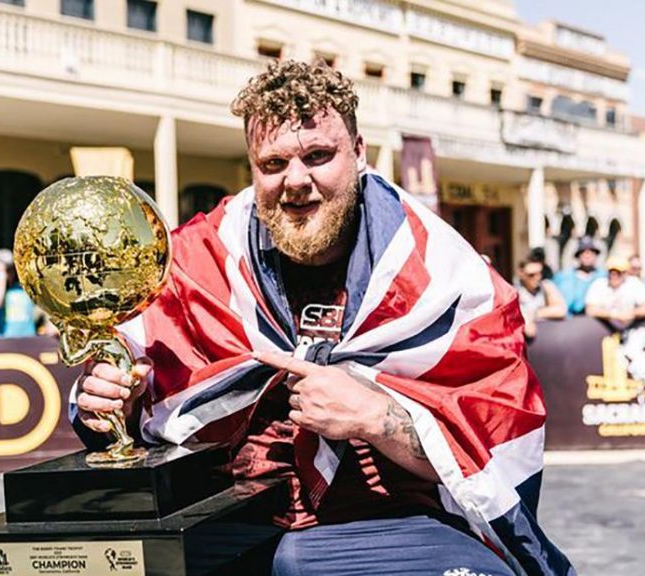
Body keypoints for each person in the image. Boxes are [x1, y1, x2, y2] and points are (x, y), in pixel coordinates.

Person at [71, 61, 572, 576]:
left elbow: (489, 443)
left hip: (391, 521)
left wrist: (377, 418)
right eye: (273, 163)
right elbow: (134, 386)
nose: (296, 181)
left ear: (359, 152)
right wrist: (111, 400)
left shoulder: (436, 269)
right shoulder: (200, 260)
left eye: (318, 156)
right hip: (231, 520)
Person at [585, 255, 645, 327]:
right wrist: (615, 315)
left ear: (626, 273)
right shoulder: (599, 284)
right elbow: (590, 310)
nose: (614, 275)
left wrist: (631, 313)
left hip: (630, 326)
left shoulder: (634, 283)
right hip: (605, 326)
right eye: (611, 272)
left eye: (618, 272)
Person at [553, 236, 604, 315]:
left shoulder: (604, 276)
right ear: (578, 256)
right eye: (583, 252)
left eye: (591, 252)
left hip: (599, 318)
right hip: (571, 318)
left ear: (596, 256)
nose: (587, 255)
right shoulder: (564, 276)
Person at [516, 259, 567, 338]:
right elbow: (529, 330)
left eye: (539, 273)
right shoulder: (515, 292)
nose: (537, 278)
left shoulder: (546, 286)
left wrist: (533, 314)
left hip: (549, 334)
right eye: (531, 275)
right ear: (522, 274)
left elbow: (561, 310)